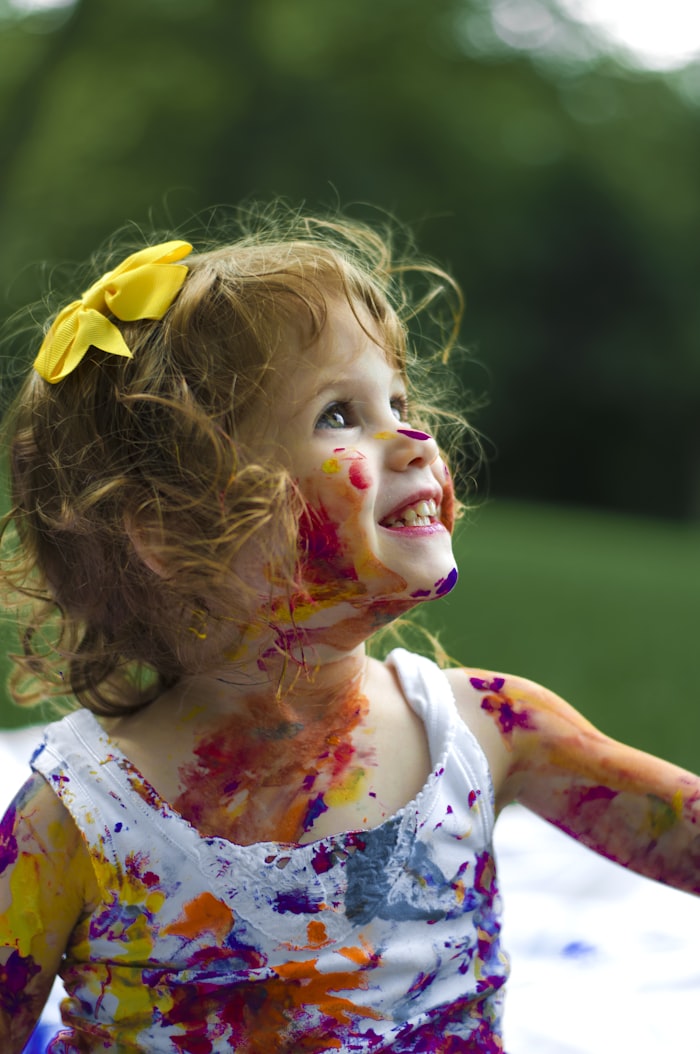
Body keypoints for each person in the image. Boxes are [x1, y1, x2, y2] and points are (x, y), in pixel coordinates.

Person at [0, 208, 698, 1054]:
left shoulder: (486, 731)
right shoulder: (84, 814)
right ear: (172, 530)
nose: (413, 437)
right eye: (338, 413)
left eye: (398, 400)